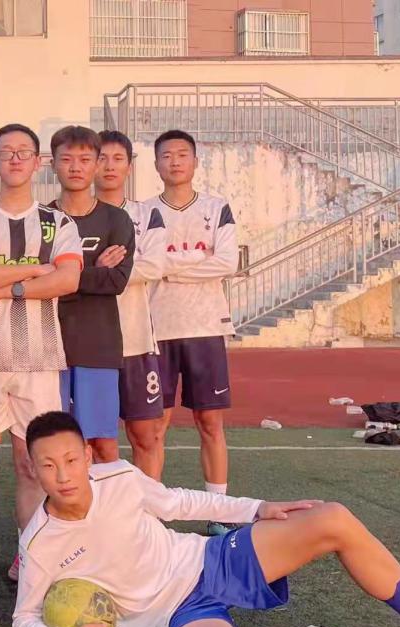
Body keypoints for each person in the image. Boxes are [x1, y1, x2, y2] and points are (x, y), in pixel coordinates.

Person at [13, 411, 400, 627]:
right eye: (49, 465)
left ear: (88, 457)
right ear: (32, 468)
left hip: (208, 561)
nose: (63, 476)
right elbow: (23, 618)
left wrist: (255, 508)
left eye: (71, 460)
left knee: (333, 518)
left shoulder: (119, 477)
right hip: (177, 618)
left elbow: (179, 502)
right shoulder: (38, 542)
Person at [0, 123, 82, 605]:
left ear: (38, 162)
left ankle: (29, 560)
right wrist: (32, 270)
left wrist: (6, 288)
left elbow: (67, 280)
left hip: (38, 361)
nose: (15, 158)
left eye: (24, 151)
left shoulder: (57, 223)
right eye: (5, 151)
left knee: (32, 467)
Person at [144, 130, 237, 534]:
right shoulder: (143, 212)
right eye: (167, 155)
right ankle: (151, 516)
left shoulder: (217, 208)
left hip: (205, 326)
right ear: (156, 164)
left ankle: (219, 513)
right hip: (155, 329)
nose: (175, 162)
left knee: (210, 423)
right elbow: (147, 265)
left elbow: (227, 262)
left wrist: (171, 270)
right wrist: (196, 263)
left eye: (183, 155)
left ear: (195, 162)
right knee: (154, 427)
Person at [94, 130, 202, 479]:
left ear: (130, 166)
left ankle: (148, 507)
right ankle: (107, 507)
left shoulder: (147, 215)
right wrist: (112, 270)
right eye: (102, 158)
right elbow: (68, 273)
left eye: (118, 159)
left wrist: (102, 273)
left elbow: (155, 266)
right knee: (98, 442)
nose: (109, 166)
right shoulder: (73, 216)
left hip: (136, 342)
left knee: (147, 435)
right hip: (89, 344)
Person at [49, 126, 134, 470]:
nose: (75, 167)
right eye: (66, 159)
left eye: (85, 159)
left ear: (97, 164)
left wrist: (60, 276)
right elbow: (30, 278)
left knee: (102, 444)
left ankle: (110, 505)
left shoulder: (116, 219)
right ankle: (59, 506)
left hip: (98, 345)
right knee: (55, 443)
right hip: (47, 346)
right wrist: (92, 270)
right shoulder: (42, 218)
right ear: (52, 164)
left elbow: (116, 280)